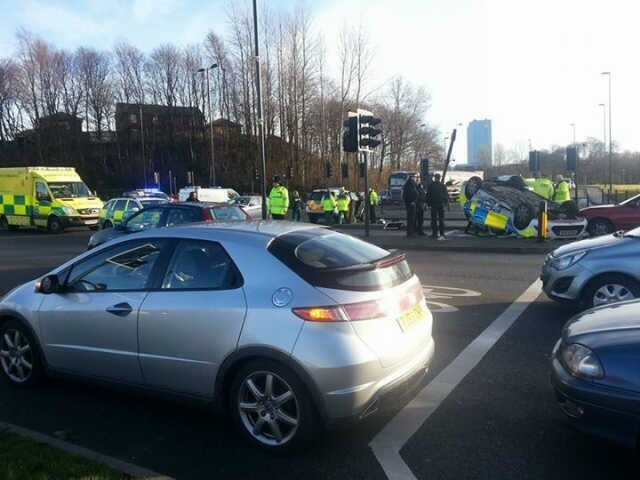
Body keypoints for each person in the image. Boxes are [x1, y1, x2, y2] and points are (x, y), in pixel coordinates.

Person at [426, 173, 448, 240]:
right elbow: (446, 195)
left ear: (434, 178)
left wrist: (428, 204)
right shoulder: (442, 185)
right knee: (441, 219)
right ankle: (442, 233)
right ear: (440, 178)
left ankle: (434, 233)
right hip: (441, 204)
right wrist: (446, 203)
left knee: (434, 219)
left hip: (434, 204)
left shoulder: (431, 185)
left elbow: (428, 195)